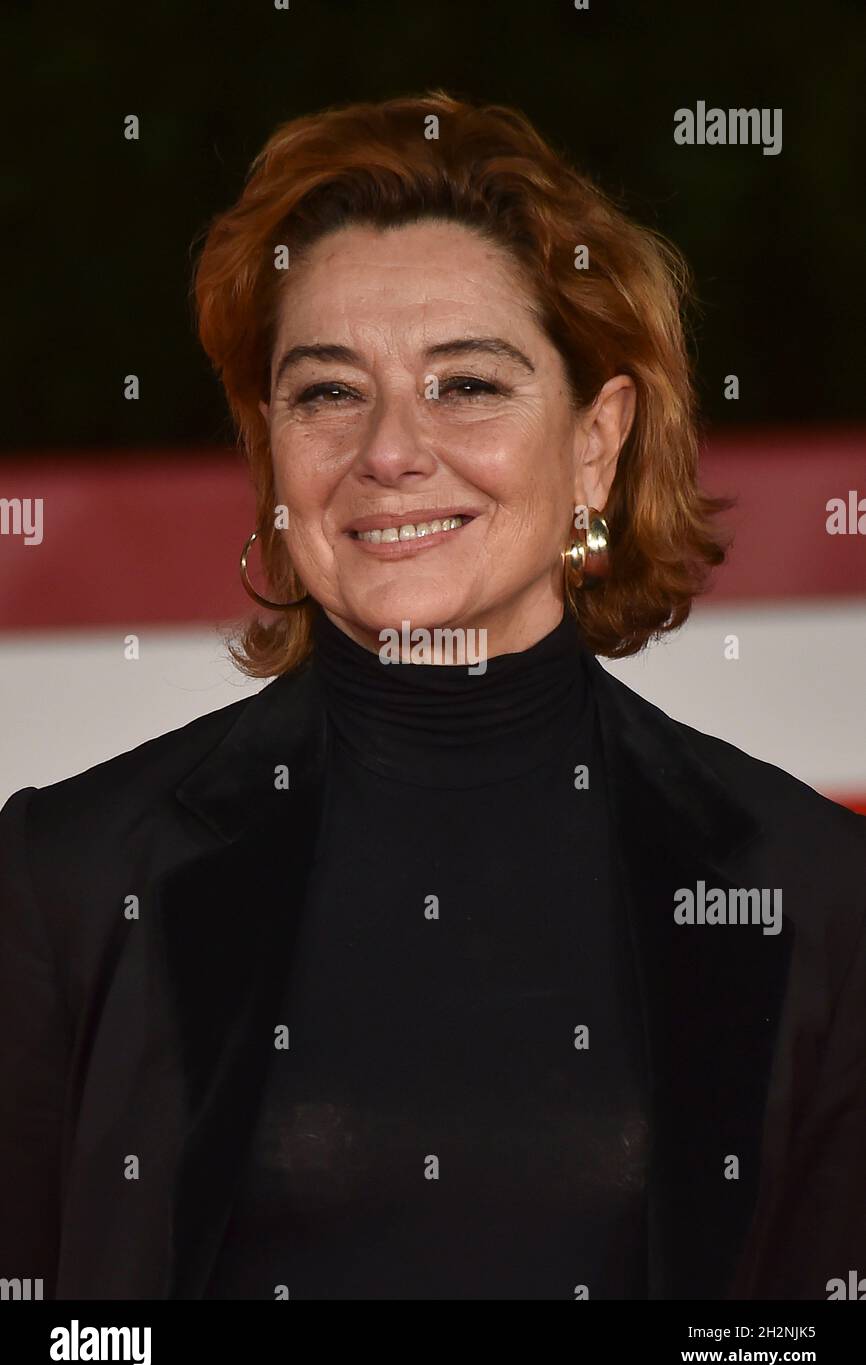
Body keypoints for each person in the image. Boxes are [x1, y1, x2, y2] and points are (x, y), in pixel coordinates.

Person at [1, 90, 864, 1301]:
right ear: (269, 446)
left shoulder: (810, 892)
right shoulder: (70, 878)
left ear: (595, 441)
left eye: (465, 384)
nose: (389, 451)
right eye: (326, 391)